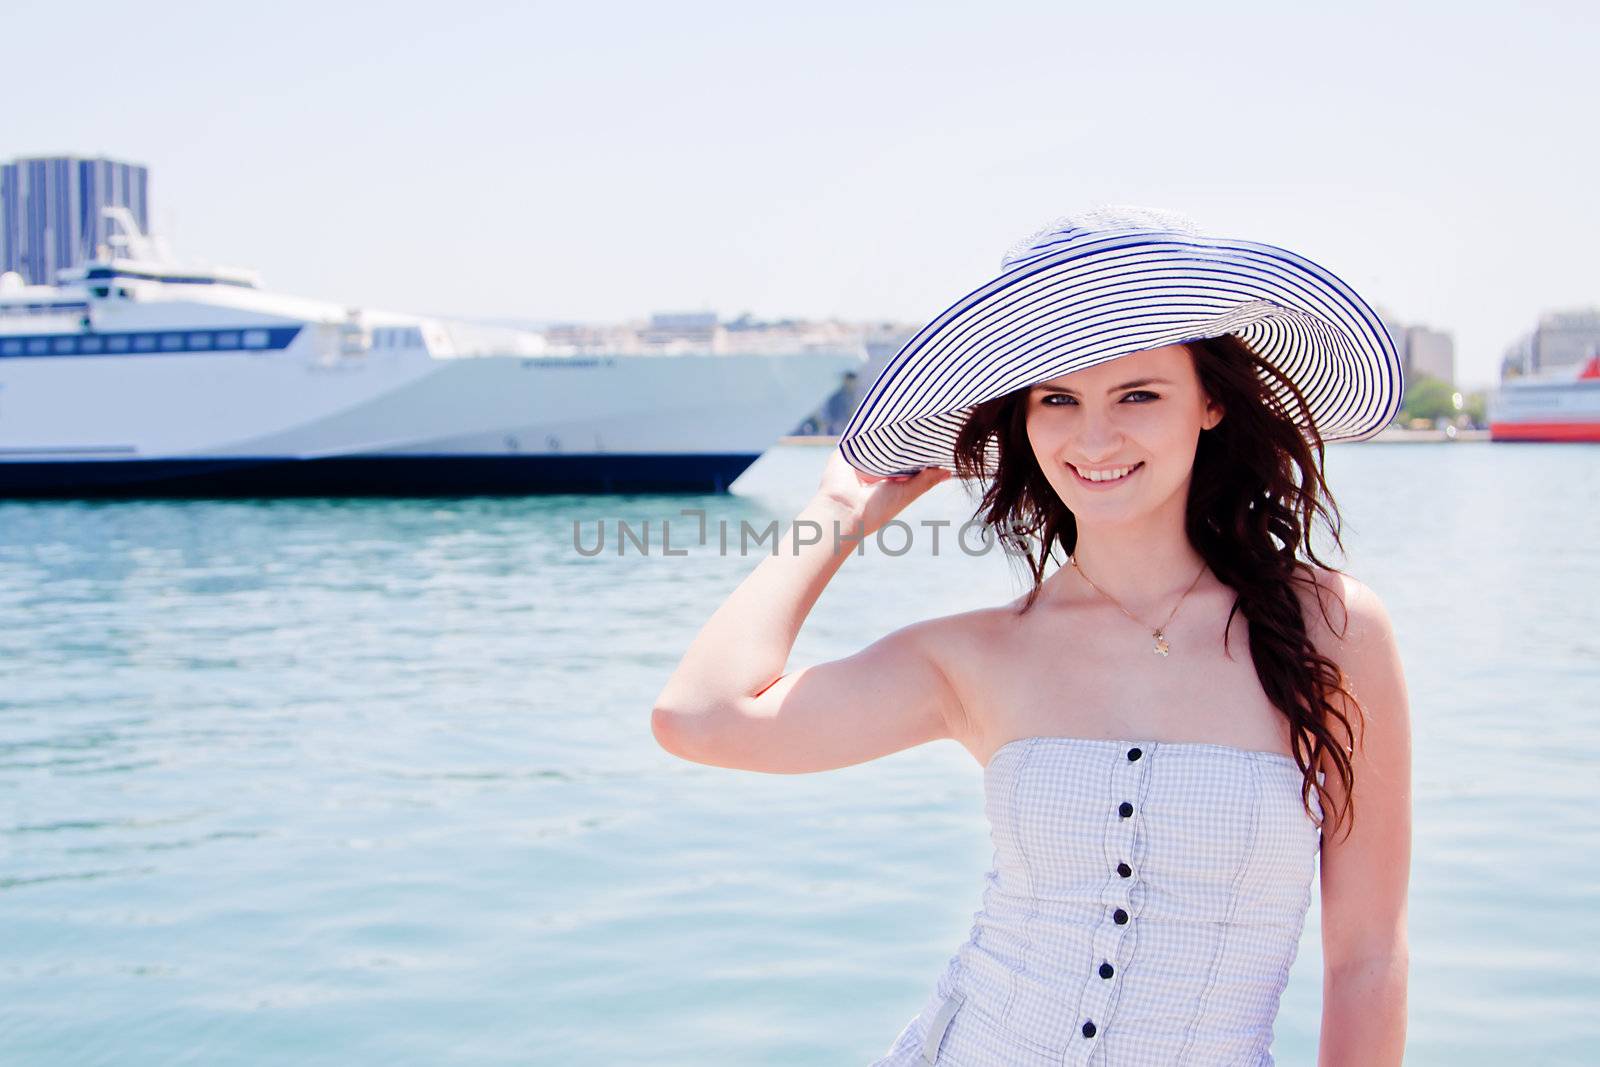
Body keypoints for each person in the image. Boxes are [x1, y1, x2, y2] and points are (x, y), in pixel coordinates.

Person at [651, 207, 1412, 1065]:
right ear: (1025, 419)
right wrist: (836, 516)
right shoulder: (980, 655)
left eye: (1138, 393)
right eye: (1058, 398)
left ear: (1210, 403)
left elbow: (1367, 959)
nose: (1094, 437)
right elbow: (700, 716)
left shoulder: (1333, 630)